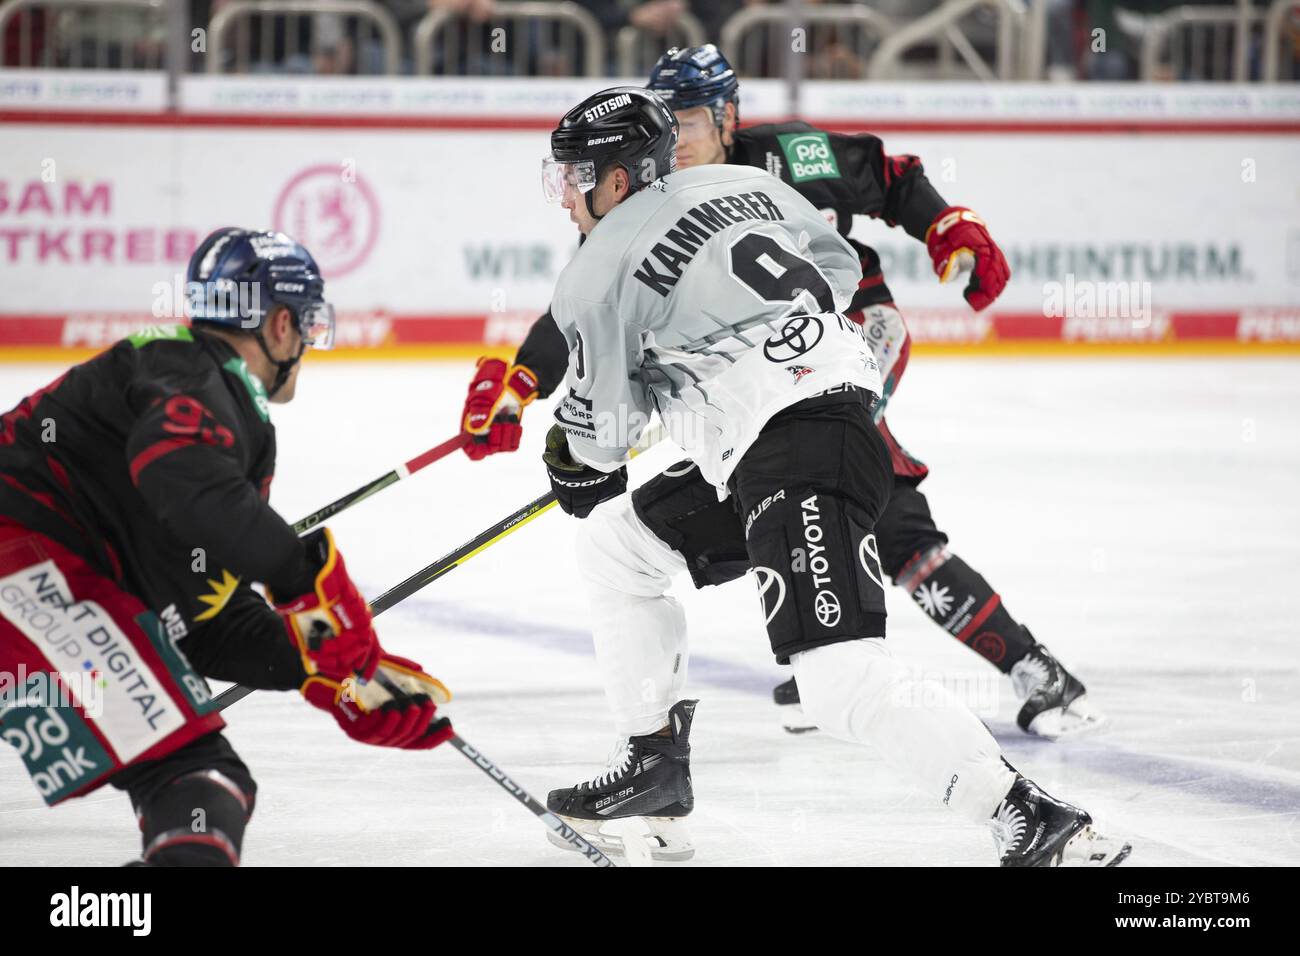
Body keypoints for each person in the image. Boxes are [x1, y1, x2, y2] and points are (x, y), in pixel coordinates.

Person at [523, 84, 1130, 866]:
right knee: (620, 546)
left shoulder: (594, 269)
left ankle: (1028, 815)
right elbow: (838, 273)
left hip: (796, 449)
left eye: (572, 178)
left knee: (838, 680)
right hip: (831, 423)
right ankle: (654, 765)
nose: (564, 198)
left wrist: (571, 455)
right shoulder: (746, 184)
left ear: (614, 181)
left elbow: (604, 438)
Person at [0, 228, 452, 866]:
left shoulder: (206, 395)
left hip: (44, 581)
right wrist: (304, 577)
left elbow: (198, 618)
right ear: (280, 323)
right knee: (194, 783)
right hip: (27, 569)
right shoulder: (188, 370)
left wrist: (326, 667)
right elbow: (183, 480)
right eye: (308, 324)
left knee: (199, 785)